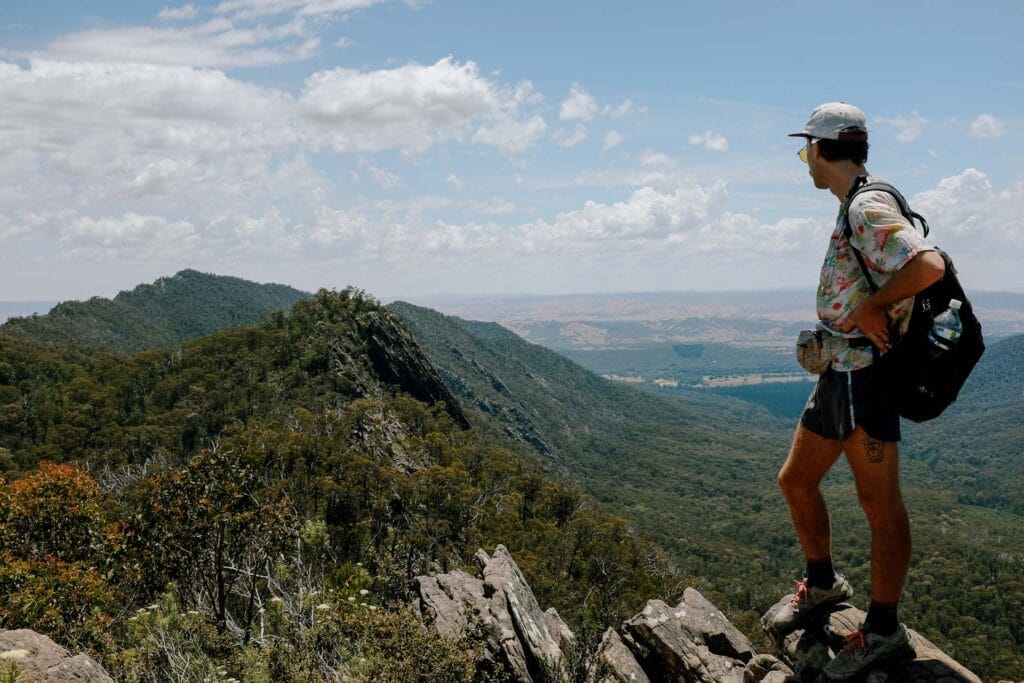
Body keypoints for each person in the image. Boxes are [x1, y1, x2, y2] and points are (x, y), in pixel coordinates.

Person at [766, 102, 946, 680]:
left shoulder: (866, 206)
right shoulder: (856, 205)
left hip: (864, 379)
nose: (806, 163)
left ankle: (885, 627)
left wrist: (871, 306)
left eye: (806, 153)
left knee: (879, 504)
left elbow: (929, 265)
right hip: (838, 376)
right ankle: (823, 583)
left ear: (823, 149)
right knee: (795, 479)